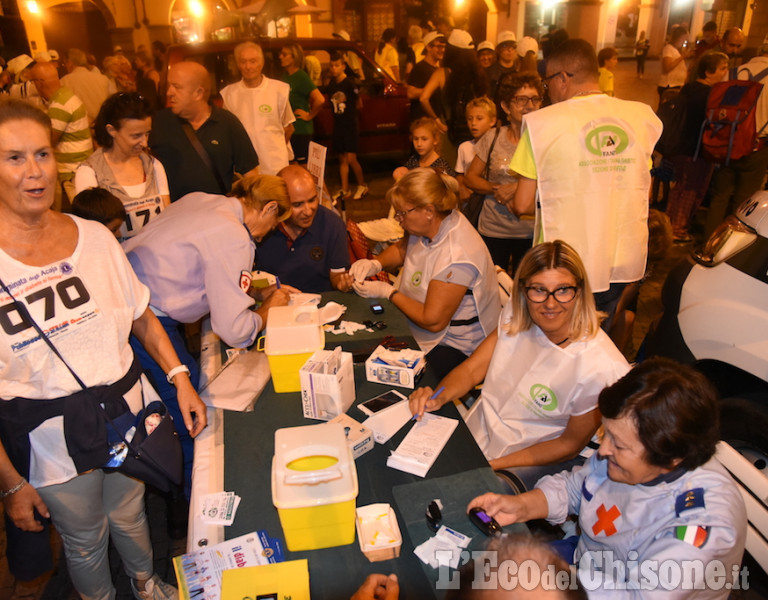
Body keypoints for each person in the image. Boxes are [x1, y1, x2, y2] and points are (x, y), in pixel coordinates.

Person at [0, 97, 206, 599]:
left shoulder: (95, 237)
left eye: (43, 154)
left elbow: (141, 315)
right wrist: (9, 483)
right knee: (85, 538)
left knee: (131, 513)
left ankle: (145, 582)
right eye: (14, 157)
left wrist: (180, 378)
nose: (35, 172)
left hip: (125, 415)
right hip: (52, 439)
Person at [467, 357, 747, 598]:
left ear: (671, 458)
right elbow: (576, 488)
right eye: (606, 433)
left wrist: (549, 580)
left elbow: (636, 596)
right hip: (587, 563)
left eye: (619, 445)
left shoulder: (702, 526)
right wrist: (522, 506)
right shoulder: (631, 455)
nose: (603, 450)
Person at [122, 172, 293, 497]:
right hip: (146, 317)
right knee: (191, 412)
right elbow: (235, 331)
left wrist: (252, 296)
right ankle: (194, 502)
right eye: (274, 222)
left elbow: (201, 271)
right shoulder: (235, 235)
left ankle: (178, 501)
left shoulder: (204, 199)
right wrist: (268, 309)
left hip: (131, 297)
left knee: (181, 401)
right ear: (269, 208)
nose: (269, 232)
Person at [410, 240, 629, 489]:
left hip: (531, 456)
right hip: (483, 430)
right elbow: (472, 370)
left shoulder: (602, 367)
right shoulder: (517, 313)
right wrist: (437, 397)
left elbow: (568, 446)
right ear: (524, 291)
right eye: (538, 290)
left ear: (579, 291)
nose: (550, 303)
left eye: (563, 290)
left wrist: (493, 465)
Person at [511, 39, 662, 329]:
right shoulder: (638, 116)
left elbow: (522, 203)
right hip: (618, 257)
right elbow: (645, 191)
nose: (549, 91)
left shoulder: (543, 125)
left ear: (563, 78)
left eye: (548, 82)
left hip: (563, 261)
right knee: (595, 338)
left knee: (556, 341)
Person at [351, 168, 500, 379]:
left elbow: (433, 321)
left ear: (428, 211)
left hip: (457, 345)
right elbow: (405, 248)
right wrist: (375, 264)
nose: (398, 219)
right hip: (425, 328)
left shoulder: (457, 255)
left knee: (397, 379)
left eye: (402, 213)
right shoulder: (437, 221)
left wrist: (389, 292)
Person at [465, 73, 542, 273]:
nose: (529, 105)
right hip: (493, 229)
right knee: (492, 286)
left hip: (531, 232)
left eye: (534, 99)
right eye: (521, 100)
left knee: (526, 287)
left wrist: (516, 188)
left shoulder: (544, 139)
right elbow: (470, 178)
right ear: (506, 107)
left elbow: (556, 180)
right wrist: (497, 189)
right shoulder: (493, 137)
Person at [149, 61, 258, 201]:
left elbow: (251, 175)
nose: (169, 92)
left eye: (177, 87)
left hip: (217, 215)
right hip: (175, 216)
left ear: (198, 93)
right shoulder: (158, 122)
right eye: (169, 86)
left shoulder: (227, 123)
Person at [74, 92, 169, 239]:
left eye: (147, 134)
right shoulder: (89, 172)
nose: (144, 143)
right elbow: (93, 234)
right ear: (111, 130)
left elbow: (166, 218)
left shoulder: (153, 165)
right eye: (136, 136)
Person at [703, 41, 768, 236]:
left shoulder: (732, 72)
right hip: (757, 147)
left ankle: (709, 240)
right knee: (744, 201)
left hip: (727, 142)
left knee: (719, 197)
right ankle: (729, 245)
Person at [256, 165, 352, 293]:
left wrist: (342, 282)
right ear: (280, 202)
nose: (307, 211)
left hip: (318, 306)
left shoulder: (333, 225)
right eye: (297, 204)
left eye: (312, 200)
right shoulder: (261, 227)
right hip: (273, 305)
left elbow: (336, 275)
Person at [664, 52, 728, 242]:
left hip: (680, 147)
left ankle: (670, 226)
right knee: (691, 190)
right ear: (709, 72)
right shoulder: (709, 95)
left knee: (681, 188)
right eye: (723, 68)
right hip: (696, 149)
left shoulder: (688, 89)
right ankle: (678, 230)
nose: (726, 72)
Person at [221, 42, 295, 176]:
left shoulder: (278, 90)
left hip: (275, 165)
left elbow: (288, 128)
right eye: (243, 62)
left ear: (261, 63)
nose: (248, 66)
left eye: (253, 61)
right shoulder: (229, 94)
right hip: (245, 169)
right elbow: (227, 134)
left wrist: (272, 148)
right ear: (238, 64)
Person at [28, 61, 93, 211]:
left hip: (70, 171)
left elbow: (48, 142)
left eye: (32, 81)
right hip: (79, 165)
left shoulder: (58, 105)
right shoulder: (67, 97)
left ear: (39, 83)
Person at [325, 51, 367, 201]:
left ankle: (362, 185)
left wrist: (351, 115)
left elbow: (358, 103)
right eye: (331, 66)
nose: (334, 68)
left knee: (351, 158)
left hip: (350, 125)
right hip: (339, 125)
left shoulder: (349, 83)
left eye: (337, 65)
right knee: (342, 158)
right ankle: (345, 188)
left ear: (343, 66)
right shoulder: (331, 84)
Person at [279, 43, 324, 165]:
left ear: (294, 57)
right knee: (294, 167)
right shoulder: (286, 76)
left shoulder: (301, 76)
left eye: (284, 54)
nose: (280, 57)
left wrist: (309, 116)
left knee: (306, 168)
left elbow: (320, 99)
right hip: (290, 130)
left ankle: (320, 185)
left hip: (301, 130)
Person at [455, 96, 496, 204]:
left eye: (479, 118)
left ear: (492, 121)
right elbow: (460, 174)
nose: (473, 123)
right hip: (471, 202)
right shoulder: (464, 147)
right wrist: (462, 188)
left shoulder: (498, 146)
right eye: (470, 118)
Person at [61, 48, 111, 126]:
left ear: (69, 63)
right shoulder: (103, 78)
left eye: (64, 64)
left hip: (80, 128)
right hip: (103, 125)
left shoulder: (64, 82)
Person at [406, 31, 446, 122]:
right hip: (423, 121)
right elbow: (410, 93)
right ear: (428, 47)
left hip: (434, 121)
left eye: (444, 47)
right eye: (439, 46)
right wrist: (432, 89)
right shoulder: (420, 68)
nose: (442, 50)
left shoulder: (437, 68)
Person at [658, 26, 692, 101]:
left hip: (675, 85)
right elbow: (667, 67)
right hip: (669, 86)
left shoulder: (675, 49)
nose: (684, 42)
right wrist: (682, 56)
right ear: (679, 37)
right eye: (684, 39)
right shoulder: (668, 48)